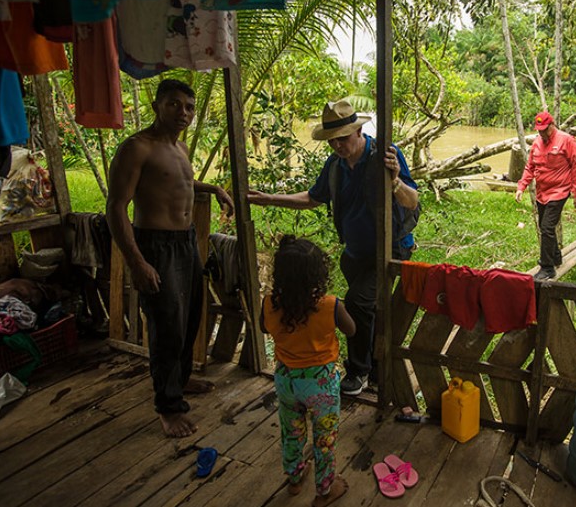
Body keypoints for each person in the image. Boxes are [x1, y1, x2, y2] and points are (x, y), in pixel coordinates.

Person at [248, 99, 419, 396]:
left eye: (343, 137)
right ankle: (379, 369)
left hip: (389, 250)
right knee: (373, 311)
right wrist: (270, 198)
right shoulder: (335, 166)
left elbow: (412, 201)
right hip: (354, 254)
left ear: (358, 131)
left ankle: (357, 371)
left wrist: (394, 183)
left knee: (358, 303)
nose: (338, 145)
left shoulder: (386, 156)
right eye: (332, 141)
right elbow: (313, 198)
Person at [106, 79, 234, 438]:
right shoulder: (136, 148)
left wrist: (214, 189)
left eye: (189, 107)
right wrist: (137, 262)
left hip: (186, 241)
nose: (184, 113)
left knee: (191, 313)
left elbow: (177, 184)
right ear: (157, 106)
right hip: (155, 245)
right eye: (175, 105)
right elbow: (116, 207)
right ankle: (168, 406)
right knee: (167, 325)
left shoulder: (178, 149)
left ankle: (179, 380)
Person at [261, 235, 355, 507]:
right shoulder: (329, 305)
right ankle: (325, 490)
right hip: (321, 383)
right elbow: (351, 330)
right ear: (317, 274)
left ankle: (294, 478)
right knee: (324, 437)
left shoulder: (270, 303)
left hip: (286, 380)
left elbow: (264, 328)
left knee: (291, 431)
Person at [514, 111, 576, 280]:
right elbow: (530, 167)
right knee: (544, 227)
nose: (542, 133)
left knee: (546, 228)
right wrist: (521, 186)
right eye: (539, 130)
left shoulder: (566, 140)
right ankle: (555, 256)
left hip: (559, 191)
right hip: (542, 193)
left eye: (545, 129)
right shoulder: (537, 143)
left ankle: (547, 267)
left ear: (552, 125)